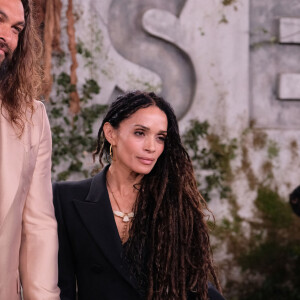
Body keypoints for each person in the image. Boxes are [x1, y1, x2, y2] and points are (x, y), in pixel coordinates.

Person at [53, 91, 225, 300]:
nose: (151, 147)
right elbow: (61, 287)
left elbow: (192, 283)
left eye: (160, 137)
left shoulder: (173, 204)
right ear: (111, 133)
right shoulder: (66, 198)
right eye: (140, 133)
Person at [0, 0, 60, 299]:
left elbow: (38, 228)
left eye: (16, 29)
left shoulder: (31, 117)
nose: (7, 36)